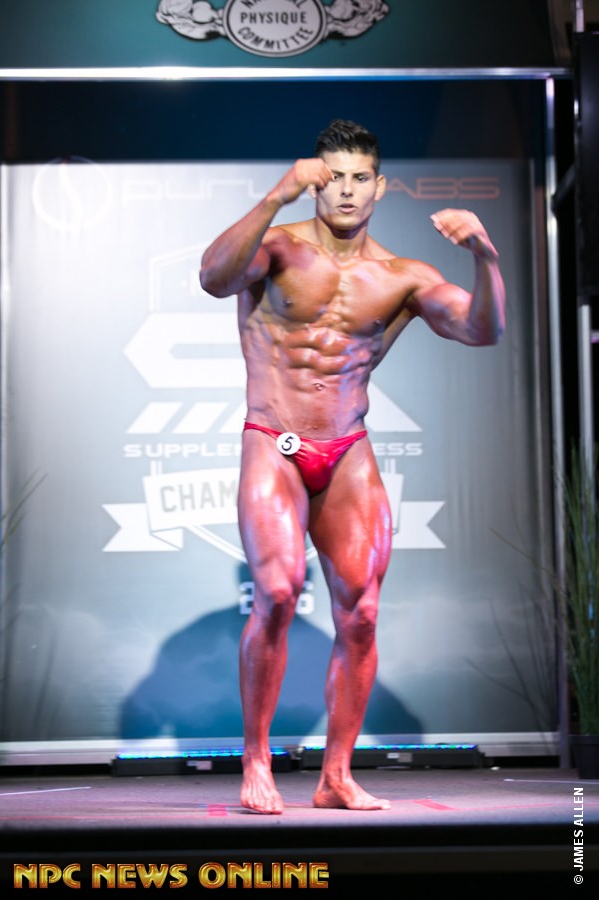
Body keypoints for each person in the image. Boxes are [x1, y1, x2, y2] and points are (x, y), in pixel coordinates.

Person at [199, 119, 506, 814]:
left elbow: (482, 329)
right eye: (332, 175)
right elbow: (213, 279)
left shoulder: (403, 276)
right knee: (278, 592)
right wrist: (275, 196)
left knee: (362, 612)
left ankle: (335, 775)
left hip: (347, 448)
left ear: (380, 186)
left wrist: (485, 258)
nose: (345, 190)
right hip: (273, 437)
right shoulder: (277, 245)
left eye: (359, 178)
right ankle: (256, 761)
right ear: (315, 179)